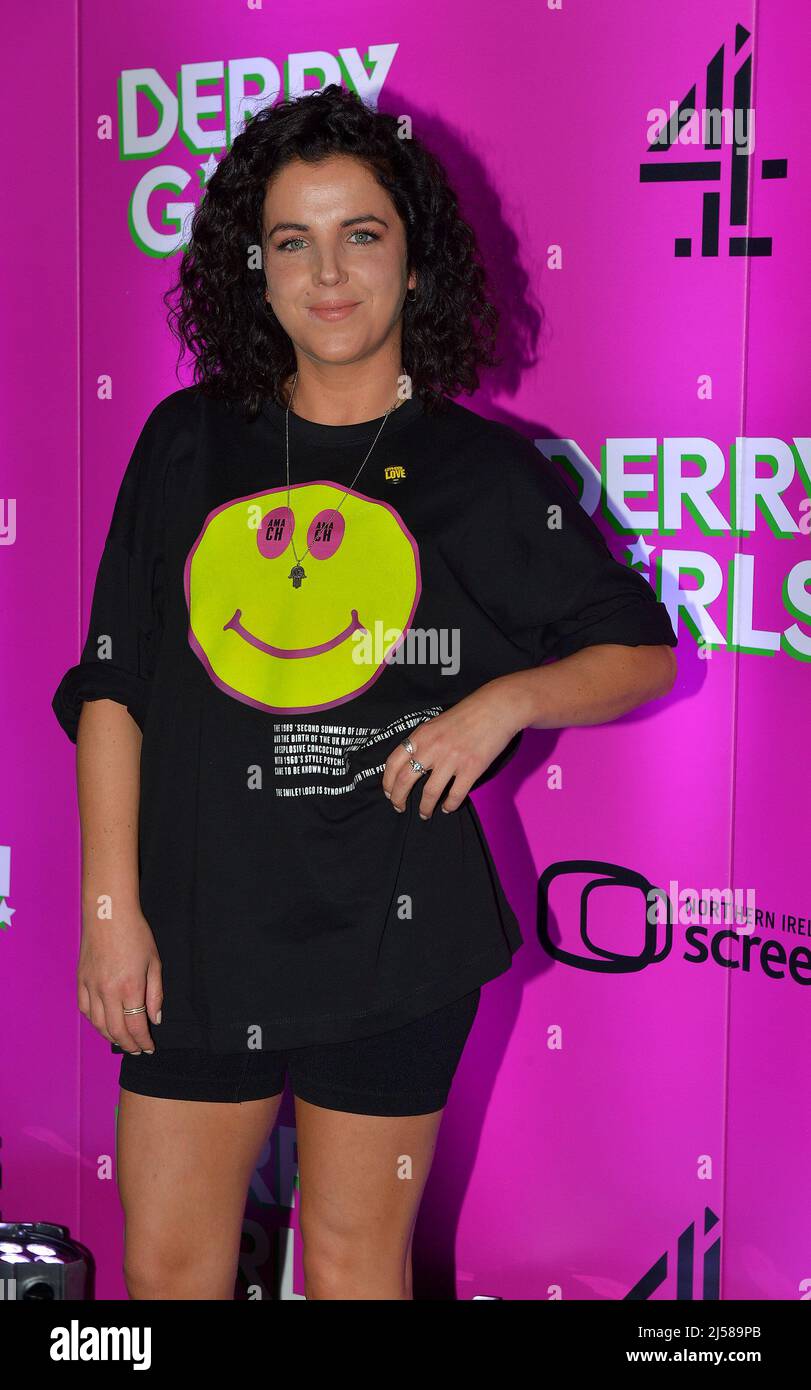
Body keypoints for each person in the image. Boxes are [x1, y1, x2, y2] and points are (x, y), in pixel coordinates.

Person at [52, 84, 677, 1301]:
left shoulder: (483, 471)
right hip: (193, 927)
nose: (327, 273)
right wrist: (110, 908)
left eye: (361, 235)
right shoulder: (186, 442)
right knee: (169, 1271)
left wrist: (505, 703)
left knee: (351, 1262)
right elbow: (114, 686)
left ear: (413, 259)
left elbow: (638, 650)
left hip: (396, 935)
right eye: (293, 240)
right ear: (257, 269)